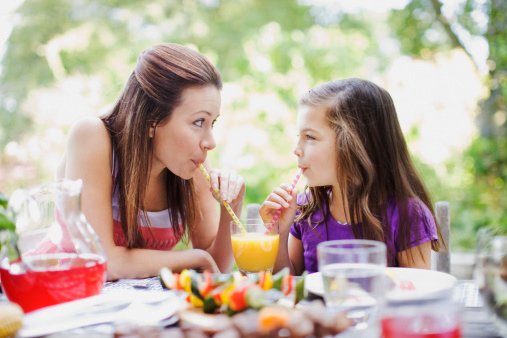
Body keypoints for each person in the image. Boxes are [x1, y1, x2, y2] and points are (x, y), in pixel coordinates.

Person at [57, 43, 245, 280]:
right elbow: (103, 261)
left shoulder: (192, 164)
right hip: (61, 298)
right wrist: (196, 257)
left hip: (139, 309)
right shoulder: (93, 136)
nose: (210, 142)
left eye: (212, 123)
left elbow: (216, 269)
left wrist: (233, 207)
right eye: (199, 122)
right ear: (151, 120)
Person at [260, 78, 443, 275]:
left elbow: (416, 294)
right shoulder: (305, 209)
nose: (297, 150)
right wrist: (278, 234)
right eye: (300, 137)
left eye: (310, 137)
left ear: (356, 144)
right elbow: (288, 284)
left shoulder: (408, 215)